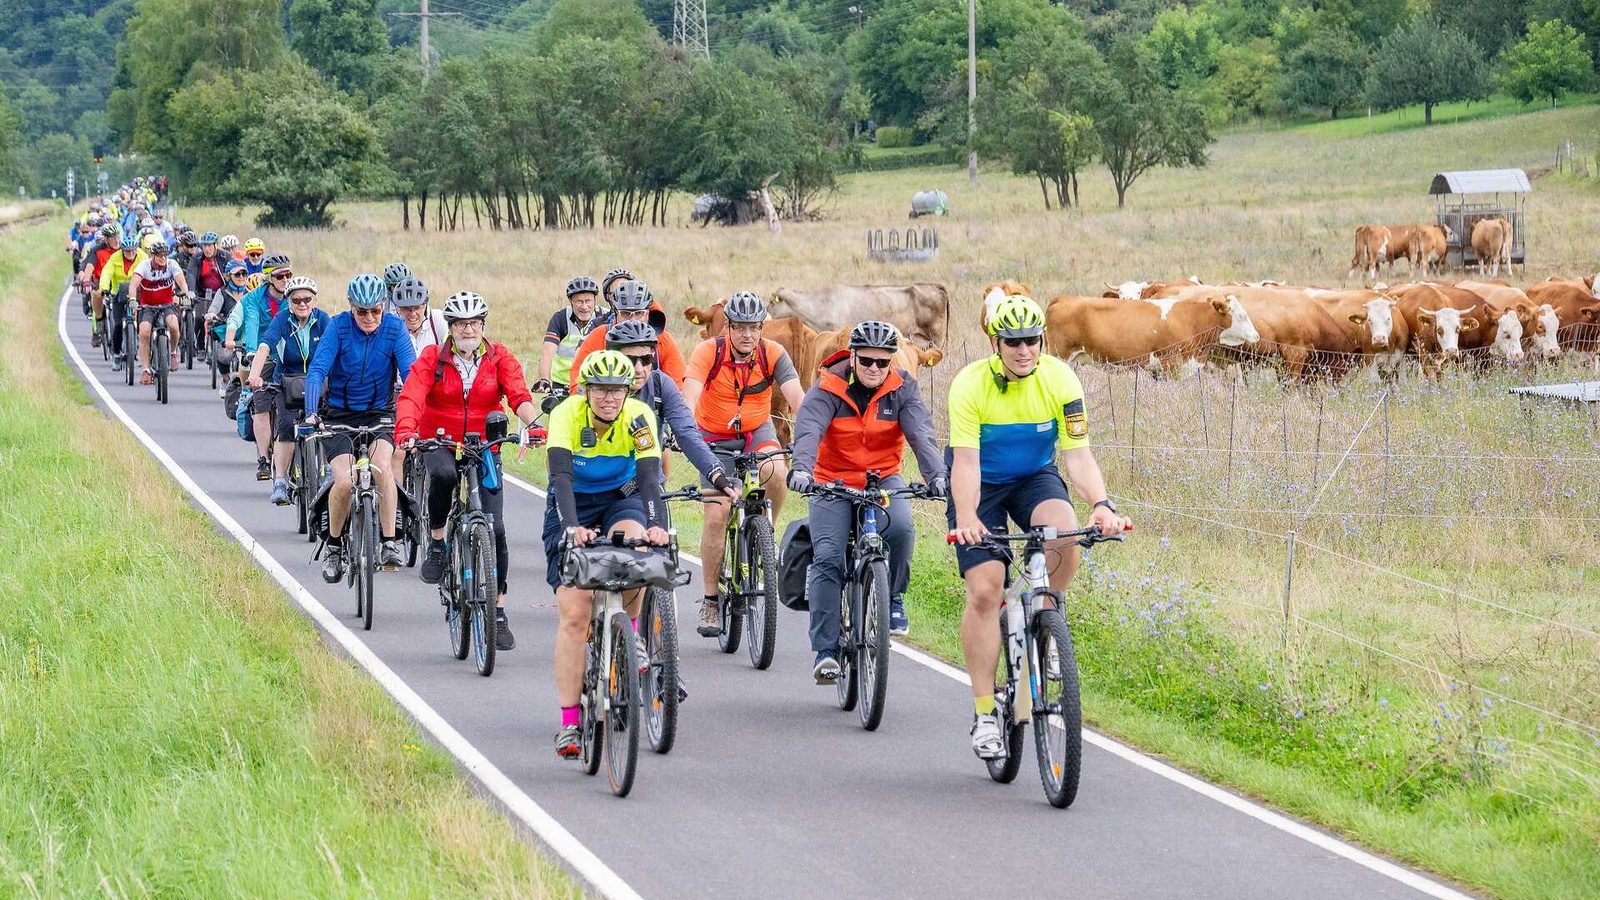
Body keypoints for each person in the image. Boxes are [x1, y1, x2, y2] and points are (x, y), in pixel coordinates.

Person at [944, 295, 1132, 760]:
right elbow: (965, 463)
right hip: (981, 482)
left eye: (1032, 340)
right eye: (1013, 342)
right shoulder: (969, 385)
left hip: (1033, 476)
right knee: (986, 591)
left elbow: (1077, 455)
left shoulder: (1061, 379)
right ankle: (986, 713)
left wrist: (1102, 505)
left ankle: (1043, 608)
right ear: (995, 342)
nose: (1024, 350)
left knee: (1066, 535)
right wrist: (966, 518)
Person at [788, 321, 948, 681]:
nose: (875, 369)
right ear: (853, 356)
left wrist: (936, 475)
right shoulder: (827, 386)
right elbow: (809, 429)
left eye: (883, 362)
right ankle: (826, 651)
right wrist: (801, 470)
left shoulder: (902, 388)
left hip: (883, 478)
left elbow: (921, 433)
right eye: (867, 361)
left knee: (903, 530)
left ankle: (893, 599)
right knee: (828, 555)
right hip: (832, 481)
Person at [395, 291, 540, 653]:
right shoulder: (433, 358)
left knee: (498, 528)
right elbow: (412, 395)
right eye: (460, 323)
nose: (468, 329)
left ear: (483, 326)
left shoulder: (498, 357)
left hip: (484, 445)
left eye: (474, 323)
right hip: (439, 440)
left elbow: (519, 396)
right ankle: (440, 542)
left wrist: (534, 424)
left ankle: (499, 610)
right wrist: (407, 431)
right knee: (443, 476)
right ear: (451, 327)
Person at [543, 350, 670, 759]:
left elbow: (650, 477)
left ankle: (629, 633)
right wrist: (571, 527)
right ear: (586, 390)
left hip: (621, 499)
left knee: (637, 551)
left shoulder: (638, 417)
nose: (609, 398)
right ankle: (568, 724)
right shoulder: (566, 414)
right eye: (601, 390)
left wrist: (657, 526)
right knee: (576, 614)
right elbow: (560, 476)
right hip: (573, 502)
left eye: (617, 390)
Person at [681, 290, 805, 637]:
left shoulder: (773, 354)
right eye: (740, 327)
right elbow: (689, 395)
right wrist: (683, 431)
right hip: (713, 438)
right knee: (717, 514)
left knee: (777, 471)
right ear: (729, 327)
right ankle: (709, 601)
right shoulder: (709, 352)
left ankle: (767, 532)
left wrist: (813, 434)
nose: (747, 335)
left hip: (756, 429)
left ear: (761, 328)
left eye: (754, 327)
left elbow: (798, 399)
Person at [304, 274, 416, 582]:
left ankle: (390, 542)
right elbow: (317, 371)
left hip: (381, 412)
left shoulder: (394, 329)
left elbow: (411, 374)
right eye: (362, 311)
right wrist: (312, 412)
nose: (369, 317)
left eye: (375, 311)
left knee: (383, 467)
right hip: (339, 413)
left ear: (384, 307)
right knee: (343, 481)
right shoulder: (338, 327)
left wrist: (416, 415)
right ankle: (335, 546)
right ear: (351, 308)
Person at [247, 276, 330, 506]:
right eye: (296, 300)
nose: (302, 304)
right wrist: (255, 374)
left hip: (319, 381)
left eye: (307, 299)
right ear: (289, 302)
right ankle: (281, 480)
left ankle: (329, 469)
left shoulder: (323, 320)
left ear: (314, 300)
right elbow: (265, 346)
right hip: (287, 381)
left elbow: (337, 348)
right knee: (285, 426)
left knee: (329, 425)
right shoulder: (282, 319)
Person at [228, 253, 295, 479]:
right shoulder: (254, 299)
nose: (286, 280)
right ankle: (264, 459)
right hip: (263, 356)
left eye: (288, 274)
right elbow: (252, 323)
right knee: (262, 406)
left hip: (291, 358)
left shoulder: (295, 297)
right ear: (269, 279)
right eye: (280, 276)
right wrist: (251, 352)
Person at [568, 280, 687, 390]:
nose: (632, 320)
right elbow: (577, 381)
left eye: (639, 313)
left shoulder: (663, 339)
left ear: (647, 314)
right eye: (625, 313)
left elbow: (679, 387)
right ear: (615, 313)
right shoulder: (599, 336)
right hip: (606, 404)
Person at [125, 241, 191, 386]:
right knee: (144, 332)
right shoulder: (144, 266)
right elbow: (133, 285)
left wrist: (185, 296)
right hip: (147, 306)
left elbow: (182, 282)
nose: (163, 258)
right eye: (160, 256)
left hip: (167, 304)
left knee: (174, 326)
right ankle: (146, 369)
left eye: (165, 255)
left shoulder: (172, 264)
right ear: (153, 256)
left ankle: (173, 352)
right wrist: (133, 301)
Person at [535, 276, 599, 393]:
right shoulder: (560, 318)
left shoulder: (604, 317)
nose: (584, 307)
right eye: (579, 301)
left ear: (595, 299)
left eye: (588, 301)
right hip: (563, 384)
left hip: (596, 383)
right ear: (571, 301)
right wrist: (544, 379)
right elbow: (547, 353)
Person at [98, 227, 147, 373]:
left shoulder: (143, 257)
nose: (131, 254)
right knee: (118, 324)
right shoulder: (115, 258)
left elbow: (150, 270)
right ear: (122, 251)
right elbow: (106, 273)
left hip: (138, 294)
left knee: (144, 323)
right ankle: (117, 354)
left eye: (133, 251)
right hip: (118, 295)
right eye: (128, 251)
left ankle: (139, 349)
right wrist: (104, 287)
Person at [206, 259, 252, 393]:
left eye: (244, 274)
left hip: (247, 331)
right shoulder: (222, 292)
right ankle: (225, 379)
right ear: (229, 276)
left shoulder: (251, 292)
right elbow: (214, 308)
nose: (241, 277)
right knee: (224, 355)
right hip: (227, 329)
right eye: (237, 274)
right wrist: (211, 314)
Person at [81, 222, 122, 349]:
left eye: (117, 236)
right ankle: (99, 322)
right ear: (105, 239)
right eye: (112, 238)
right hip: (100, 281)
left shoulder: (123, 249)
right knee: (95, 294)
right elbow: (89, 267)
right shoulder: (96, 250)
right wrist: (87, 281)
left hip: (118, 281)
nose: (116, 240)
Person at [391, 276, 446, 358]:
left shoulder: (438, 319)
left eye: (417, 308)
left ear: (425, 306)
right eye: (406, 309)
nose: (413, 313)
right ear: (397, 309)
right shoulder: (391, 327)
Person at [185, 232, 227, 325]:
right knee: (199, 320)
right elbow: (191, 273)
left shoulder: (225, 257)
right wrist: (191, 291)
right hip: (203, 294)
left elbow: (232, 272)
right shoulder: (197, 258)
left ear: (216, 245)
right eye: (204, 246)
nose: (206, 249)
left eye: (209, 246)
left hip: (222, 294)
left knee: (224, 320)